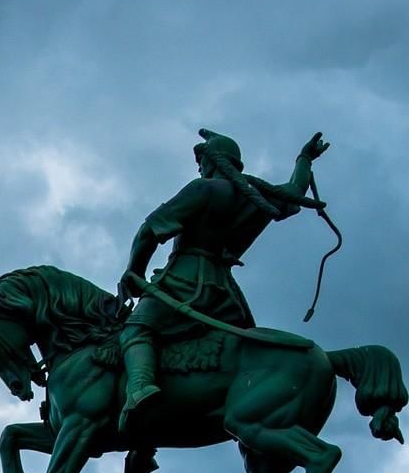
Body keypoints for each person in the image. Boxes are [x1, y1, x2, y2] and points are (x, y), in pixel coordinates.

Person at [116, 129, 331, 430]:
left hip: (185, 282)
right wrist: (304, 159)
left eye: (201, 161)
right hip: (225, 296)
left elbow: (149, 231)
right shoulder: (255, 197)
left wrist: (134, 272)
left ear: (211, 161)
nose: (199, 168)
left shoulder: (202, 189)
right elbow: (295, 191)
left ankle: (140, 387)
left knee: (135, 329)